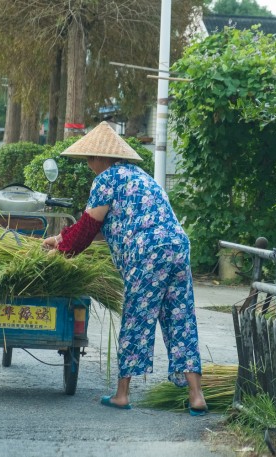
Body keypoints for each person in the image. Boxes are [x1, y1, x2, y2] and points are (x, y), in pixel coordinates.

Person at [42, 122, 207, 415]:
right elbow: (106, 227)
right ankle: (196, 396)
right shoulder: (141, 178)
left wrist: (62, 249)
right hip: (178, 248)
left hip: (148, 254)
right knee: (180, 317)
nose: (90, 165)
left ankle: (122, 394)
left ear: (101, 158)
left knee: (137, 317)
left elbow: (86, 230)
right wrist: (59, 239)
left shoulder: (106, 180)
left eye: (91, 159)